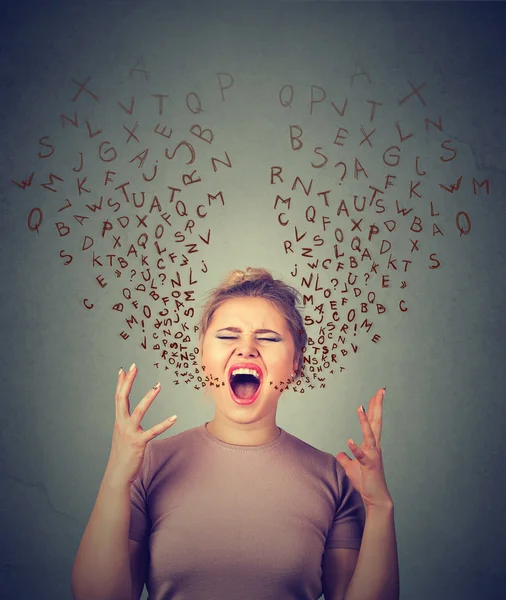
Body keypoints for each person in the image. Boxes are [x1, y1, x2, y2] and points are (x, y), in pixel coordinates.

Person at [71, 267, 399, 600]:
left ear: (296, 362)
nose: (247, 349)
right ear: (202, 356)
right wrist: (115, 477)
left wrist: (379, 506)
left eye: (269, 338)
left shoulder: (333, 478)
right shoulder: (148, 465)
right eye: (228, 336)